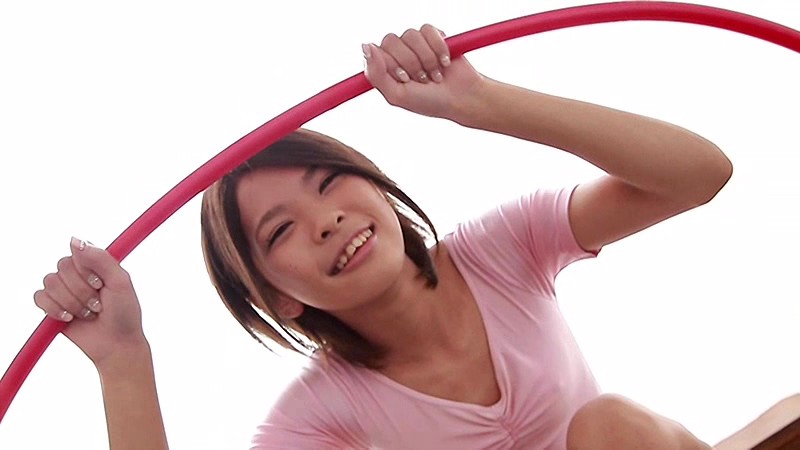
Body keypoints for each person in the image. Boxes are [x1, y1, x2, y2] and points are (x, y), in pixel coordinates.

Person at [33, 24, 731, 449]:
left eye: (328, 183)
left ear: (378, 189)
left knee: (608, 427)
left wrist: (481, 102)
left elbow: (699, 175)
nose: (326, 220)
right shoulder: (321, 413)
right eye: (282, 230)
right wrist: (123, 363)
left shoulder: (500, 249)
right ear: (279, 299)